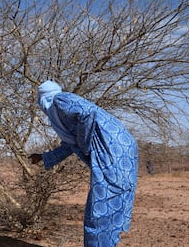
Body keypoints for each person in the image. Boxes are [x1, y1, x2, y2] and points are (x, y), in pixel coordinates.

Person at [29, 80, 139, 247]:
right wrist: (44, 157)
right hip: (121, 150)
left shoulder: (59, 99)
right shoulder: (63, 116)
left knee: (98, 212)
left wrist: (84, 144)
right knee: (111, 206)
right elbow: (70, 145)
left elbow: (87, 114)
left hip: (111, 151)